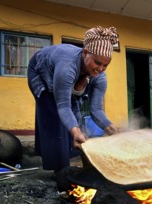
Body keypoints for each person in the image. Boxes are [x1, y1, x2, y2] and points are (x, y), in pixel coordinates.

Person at [27, 26, 118, 173]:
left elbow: (96, 109)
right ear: (85, 53)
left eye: (105, 65)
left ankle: (73, 156)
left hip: (68, 75)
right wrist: (75, 132)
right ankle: (60, 170)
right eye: (97, 63)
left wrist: (110, 128)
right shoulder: (67, 67)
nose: (100, 69)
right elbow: (63, 106)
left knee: (76, 117)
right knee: (54, 113)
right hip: (39, 71)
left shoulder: (100, 78)